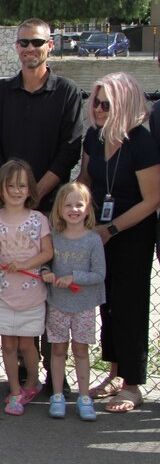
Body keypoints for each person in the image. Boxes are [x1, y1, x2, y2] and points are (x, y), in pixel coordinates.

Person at [76, 72, 159, 413]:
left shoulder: (141, 142)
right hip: (98, 233)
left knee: (129, 307)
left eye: (106, 103)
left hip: (130, 234)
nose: (98, 109)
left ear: (123, 104)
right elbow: (85, 177)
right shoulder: (94, 137)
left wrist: (111, 230)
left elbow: (152, 199)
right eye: (95, 102)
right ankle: (112, 372)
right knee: (106, 304)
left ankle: (133, 382)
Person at [0, 18, 85, 213]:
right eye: (24, 42)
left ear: (50, 45)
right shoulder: (0, 91)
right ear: (17, 47)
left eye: (37, 42)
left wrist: (36, 194)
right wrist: (12, 193)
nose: (30, 47)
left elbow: (70, 150)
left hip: (52, 206)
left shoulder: (68, 91)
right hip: (7, 204)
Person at [0, 159, 53, 416]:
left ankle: (32, 382)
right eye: (10, 185)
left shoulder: (38, 219)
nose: (16, 190)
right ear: (0, 189)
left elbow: (47, 252)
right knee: (8, 346)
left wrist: (24, 263)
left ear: (30, 189)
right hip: (4, 294)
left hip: (31, 295)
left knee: (26, 345)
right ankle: (14, 390)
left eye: (22, 185)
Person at [42, 181, 105, 421]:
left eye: (79, 204)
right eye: (68, 205)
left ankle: (84, 396)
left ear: (88, 209)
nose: (74, 209)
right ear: (59, 209)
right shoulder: (55, 237)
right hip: (58, 303)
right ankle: (57, 395)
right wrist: (46, 272)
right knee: (58, 349)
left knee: (80, 350)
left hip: (84, 306)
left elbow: (99, 274)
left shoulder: (93, 240)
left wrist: (73, 278)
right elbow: (45, 262)